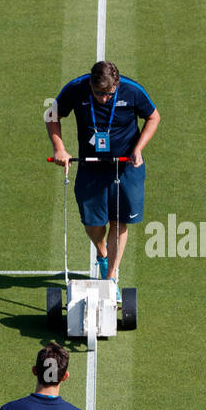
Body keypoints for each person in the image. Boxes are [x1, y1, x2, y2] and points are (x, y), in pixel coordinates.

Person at [47, 60, 159, 298]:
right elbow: (51, 116)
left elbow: (153, 117)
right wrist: (59, 148)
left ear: (116, 85)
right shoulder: (76, 89)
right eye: (98, 93)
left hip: (126, 166)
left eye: (109, 94)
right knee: (92, 223)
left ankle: (111, 279)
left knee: (119, 221)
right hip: (91, 167)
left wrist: (138, 148)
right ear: (90, 84)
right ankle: (102, 254)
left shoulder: (132, 90)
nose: (104, 99)